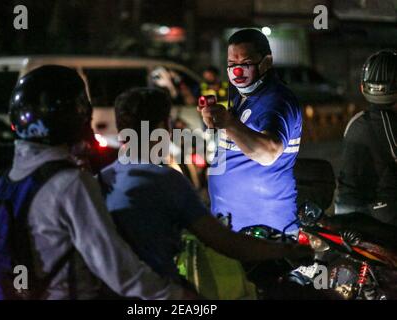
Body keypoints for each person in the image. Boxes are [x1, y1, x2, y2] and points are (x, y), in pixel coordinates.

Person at [0, 65, 191, 300]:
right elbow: (118, 270)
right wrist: (178, 296)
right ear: (74, 114)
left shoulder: (11, 180)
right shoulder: (70, 183)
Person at [99, 87, 312, 282]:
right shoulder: (167, 182)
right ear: (164, 127)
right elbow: (226, 243)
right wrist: (286, 251)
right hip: (164, 291)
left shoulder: (102, 179)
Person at [197, 29, 303, 233]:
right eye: (231, 65)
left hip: (266, 232)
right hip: (232, 228)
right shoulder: (241, 96)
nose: (237, 71)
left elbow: (269, 152)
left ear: (267, 62)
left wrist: (229, 123)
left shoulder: (277, 100)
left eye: (245, 63)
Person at [335, 50, 397, 226]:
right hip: (380, 220)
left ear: (363, 87)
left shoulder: (357, 121)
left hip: (350, 217)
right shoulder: (388, 124)